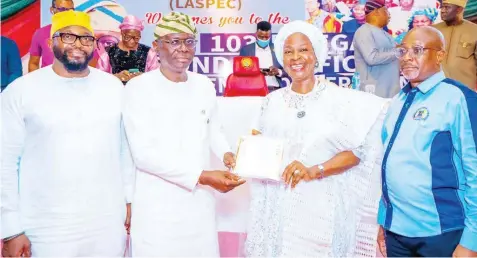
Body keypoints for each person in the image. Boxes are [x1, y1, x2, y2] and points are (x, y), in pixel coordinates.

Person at [243, 20, 388, 257]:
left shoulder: (342, 100)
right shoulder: (272, 101)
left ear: (317, 54)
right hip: (277, 208)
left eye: (303, 50)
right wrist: (245, 159)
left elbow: (358, 153)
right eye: (288, 51)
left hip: (322, 210)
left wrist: (315, 169)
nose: (295, 57)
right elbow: (259, 146)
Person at [1, 10, 133, 256]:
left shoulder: (113, 88)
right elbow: (4, 163)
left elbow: (125, 149)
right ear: (51, 41)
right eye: (68, 37)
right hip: (45, 226)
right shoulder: (20, 91)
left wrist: (129, 199)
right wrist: (11, 229)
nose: (78, 45)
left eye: (86, 38)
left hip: (106, 223)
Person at [123, 11, 245, 256]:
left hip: (200, 206)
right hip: (157, 207)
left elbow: (213, 128)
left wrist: (227, 153)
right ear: (157, 46)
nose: (183, 48)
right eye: (174, 41)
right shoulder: (138, 88)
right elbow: (143, 154)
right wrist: (203, 176)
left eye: (189, 41)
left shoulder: (203, 85)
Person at [377, 26, 477, 257]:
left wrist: (471, 241)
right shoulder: (399, 99)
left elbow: (474, 172)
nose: (408, 57)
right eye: (403, 51)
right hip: (397, 232)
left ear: (440, 55)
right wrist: (384, 220)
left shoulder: (459, 98)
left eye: (418, 50)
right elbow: (388, 164)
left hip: (441, 232)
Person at [353, 0, 400, 98]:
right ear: (376, 12)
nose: (389, 15)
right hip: (374, 91)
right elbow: (372, 58)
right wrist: (398, 52)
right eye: (386, 11)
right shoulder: (364, 31)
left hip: (389, 90)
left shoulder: (385, 33)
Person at [97, 15, 159, 84]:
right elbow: (99, 79)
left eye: (136, 38)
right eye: (128, 37)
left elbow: (156, 78)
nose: (132, 41)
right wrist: (116, 77)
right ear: (122, 33)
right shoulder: (108, 53)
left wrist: (143, 77)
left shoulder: (149, 53)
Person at [433, 0, 477, 90]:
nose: (442, 10)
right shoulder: (432, 30)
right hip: (435, 89)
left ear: (459, 9)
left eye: (447, 7)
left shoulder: (474, 31)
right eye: (442, 7)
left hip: (465, 91)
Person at [28, 0, 74, 72]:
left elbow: (90, 65)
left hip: (74, 81)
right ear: (52, 10)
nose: (66, 13)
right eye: (62, 9)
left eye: (70, 10)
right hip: (47, 81)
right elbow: (33, 63)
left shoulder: (82, 34)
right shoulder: (40, 33)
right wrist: (35, 82)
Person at [239, 21, 285, 92]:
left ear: (270, 34)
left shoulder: (278, 49)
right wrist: (256, 71)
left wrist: (278, 71)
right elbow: (240, 71)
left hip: (274, 90)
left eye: (267, 37)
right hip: (253, 90)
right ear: (256, 33)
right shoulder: (246, 50)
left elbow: (289, 69)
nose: (264, 39)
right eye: (261, 37)